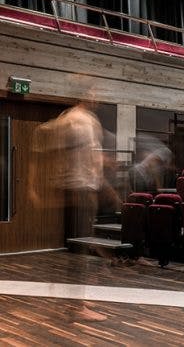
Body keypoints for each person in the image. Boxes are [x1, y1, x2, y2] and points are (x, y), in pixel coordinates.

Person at [29, 100, 119, 321]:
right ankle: (75, 306)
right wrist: (32, 186)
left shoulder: (78, 119)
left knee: (81, 246)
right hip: (79, 189)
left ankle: (74, 299)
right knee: (79, 250)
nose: (96, 99)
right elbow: (41, 137)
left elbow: (89, 156)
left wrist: (102, 175)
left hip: (83, 189)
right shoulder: (76, 121)